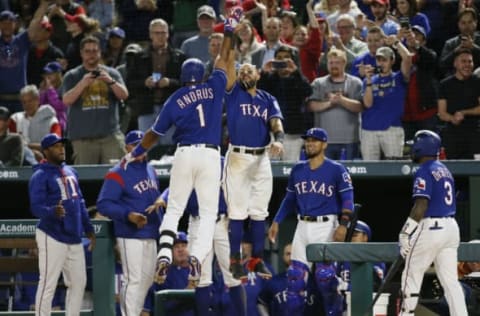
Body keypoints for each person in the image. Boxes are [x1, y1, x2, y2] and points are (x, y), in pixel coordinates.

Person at [122, 9, 242, 286]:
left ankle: (164, 255)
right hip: (211, 155)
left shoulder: (175, 98)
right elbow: (225, 58)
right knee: (209, 214)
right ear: (201, 74)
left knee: (175, 210)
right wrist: (230, 28)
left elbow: (153, 134)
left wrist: (135, 152)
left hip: (185, 153)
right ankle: (197, 257)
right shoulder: (212, 86)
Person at [268, 127, 355, 316]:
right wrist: (276, 221)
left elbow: (348, 199)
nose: (310, 143)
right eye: (308, 140)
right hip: (302, 225)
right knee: (295, 279)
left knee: (325, 277)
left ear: (324, 144)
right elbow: (289, 199)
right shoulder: (298, 169)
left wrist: (343, 225)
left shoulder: (336, 169)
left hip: (326, 224)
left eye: (315, 140)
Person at [223, 58, 285, 280]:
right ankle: (234, 260)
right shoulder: (232, 93)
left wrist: (278, 139)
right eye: (242, 72)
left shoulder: (267, 99)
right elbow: (229, 68)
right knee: (238, 212)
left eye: (249, 71)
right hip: (238, 157)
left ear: (258, 75)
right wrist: (231, 31)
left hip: (261, 158)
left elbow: (276, 121)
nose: (245, 74)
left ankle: (257, 260)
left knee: (259, 213)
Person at [398, 130, 468, 316]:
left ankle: (406, 314)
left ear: (422, 147)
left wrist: (406, 231)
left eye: (414, 146)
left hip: (432, 227)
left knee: (411, 274)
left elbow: (421, 205)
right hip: (451, 228)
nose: (411, 149)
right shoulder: (444, 170)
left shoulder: (425, 170)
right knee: (450, 282)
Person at [96, 130, 163, 316]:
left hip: (151, 232)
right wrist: (128, 215)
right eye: (135, 145)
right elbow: (103, 204)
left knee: (147, 280)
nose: (141, 148)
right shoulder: (118, 172)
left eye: (143, 144)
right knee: (133, 279)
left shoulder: (151, 169)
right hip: (130, 233)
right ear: (127, 147)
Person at [28, 133, 96, 315]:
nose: (61, 149)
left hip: (73, 237)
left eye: (62, 146)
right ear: (46, 151)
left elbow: (80, 202)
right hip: (52, 235)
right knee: (48, 283)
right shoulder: (40, 175)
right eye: (56, 146)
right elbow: (35, 206)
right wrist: (51, 211)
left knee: (78, 282)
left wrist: (88, 228)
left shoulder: (71, 171)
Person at [61, 35, 128, 165]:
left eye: (94, 51)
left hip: (110, 137)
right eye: (87, 51)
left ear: (100, 52)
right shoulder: (72, 75)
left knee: (117, 177)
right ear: (81, 53)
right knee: (86, 180)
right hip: (83, 139)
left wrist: (110, 81)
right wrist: (83, 83)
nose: (91, 54)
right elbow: (66, 101)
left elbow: (124, 95)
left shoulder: (112, 73)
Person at [125, 18, 186, 133]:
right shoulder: (138, 57)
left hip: (170, 109)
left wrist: (170, 82)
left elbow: (185, 83)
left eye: (163, 33)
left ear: (168, 34)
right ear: (150, 35)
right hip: (146, 109)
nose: (160, 36)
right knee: (148, 147)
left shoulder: (179, 57)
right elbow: (130, 83)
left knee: (168, 147)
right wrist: (145, 82)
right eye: (157, 33)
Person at [257, 44, 312, 161]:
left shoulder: (297, 78)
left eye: (286, 58)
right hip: (272, 132)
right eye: (279, 58)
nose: (282, 61)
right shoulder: (269, 78)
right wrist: (263, 73)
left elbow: (307, 91)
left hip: (293, 133)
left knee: (290, 168)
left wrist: (296, 72)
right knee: (272, 169)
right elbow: (258, 95)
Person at [361, 38, 412, 160]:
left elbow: (408, 58)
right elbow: (367, 104)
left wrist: (396, 43)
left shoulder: (399, 78)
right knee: (369, 170)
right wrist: (368, 81)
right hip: (369, 130)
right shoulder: (368, 80)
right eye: (378, 60)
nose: (381, 63)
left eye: (384, 60)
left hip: (392, 129)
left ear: (392, 61)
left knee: (394, 169)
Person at [308, 48, 363, 160]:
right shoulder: (318, 83)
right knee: (325, 175)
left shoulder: (355, 82)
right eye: (331, 62)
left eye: (337, 62)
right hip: (324, 140)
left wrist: (341, 100)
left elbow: (360, 107)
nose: (333, 65)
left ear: (344, 63)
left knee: (348, 175)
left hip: (350, 140)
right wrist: (330, 103)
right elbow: (311, 106)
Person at [0, 1, 50, 113]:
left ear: (15, 24)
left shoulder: (21, 41)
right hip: (1, 99)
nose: (7, 25)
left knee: (21, 130)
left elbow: (36, 20)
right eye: (3, 22)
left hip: (21, 100)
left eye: (10, 22)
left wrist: (44, 4)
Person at [437, 48, 480, 159]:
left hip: (475, 135)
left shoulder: (477, 82)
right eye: (463, 61)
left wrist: (463, 112)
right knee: (454, 170)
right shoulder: (444, 85)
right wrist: (453, 119)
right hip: (452, 137)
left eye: (470, 61)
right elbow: (442, 113)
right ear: (455, 64)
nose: (467, 64)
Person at [9, 84, 62, 164]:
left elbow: (55, 146)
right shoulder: (15, 119)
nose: (27, 105)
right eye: (24, 102)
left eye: (30, 101)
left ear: (38, 100)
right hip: (21, 162)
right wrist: (31, 152)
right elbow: (9, 146)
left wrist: (27, 147)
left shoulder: (51, 120)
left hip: (48, 163)